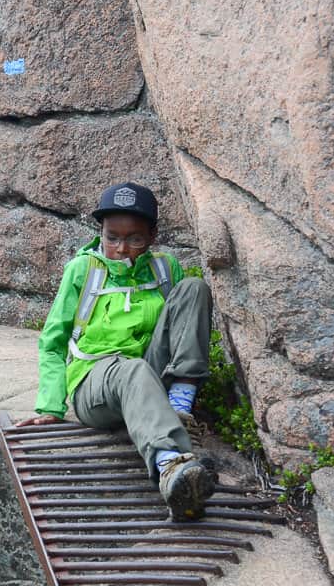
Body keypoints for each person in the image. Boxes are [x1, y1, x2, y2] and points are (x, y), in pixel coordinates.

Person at [17, 182, 216, 521]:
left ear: (152, 235)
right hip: (95, 382)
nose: (122, 248)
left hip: (147, 375)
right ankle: (171, 466)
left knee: (194, 289)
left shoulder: (165, 268)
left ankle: (179, 407)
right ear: (101, 233)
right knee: (132, 369)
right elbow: (52, 340)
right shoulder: (83, 270)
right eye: (112, 237)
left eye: (134, 239)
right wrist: (51, 404)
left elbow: (180, 330)